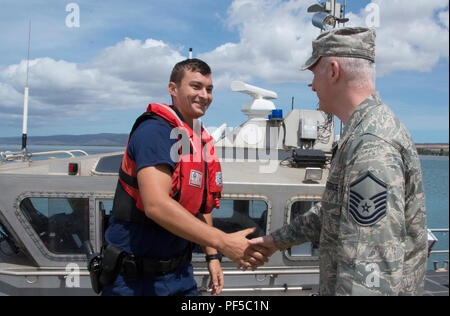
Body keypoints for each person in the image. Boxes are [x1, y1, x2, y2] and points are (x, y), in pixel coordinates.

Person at [247, 27, 428, 296]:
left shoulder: (371, 144)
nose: (312, 85)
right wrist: (275, 240)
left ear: (333, 71)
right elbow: (330, 213)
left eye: (313, 73)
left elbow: (369, 273)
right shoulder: (362, 132)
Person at [101, 58, 265, 296]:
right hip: (136, 280)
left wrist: (212, 256)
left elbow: (199, 203)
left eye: (209, 89)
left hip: (179, 274)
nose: (204, 95)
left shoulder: (194, 137)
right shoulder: (155, 131)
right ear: (173, 89)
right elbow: (156, 205)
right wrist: (224, 242)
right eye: (196, 86)